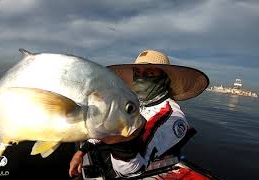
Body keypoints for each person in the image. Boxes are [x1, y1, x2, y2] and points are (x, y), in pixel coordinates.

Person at [69, 50, 209, 178]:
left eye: (149, 73)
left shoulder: (172, 116)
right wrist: (81, 151)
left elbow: (132, 169)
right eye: (138, 73)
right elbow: (106, 127)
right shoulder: (134, 103)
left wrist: (118, 140)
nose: (141, 78)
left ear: (164, 79)